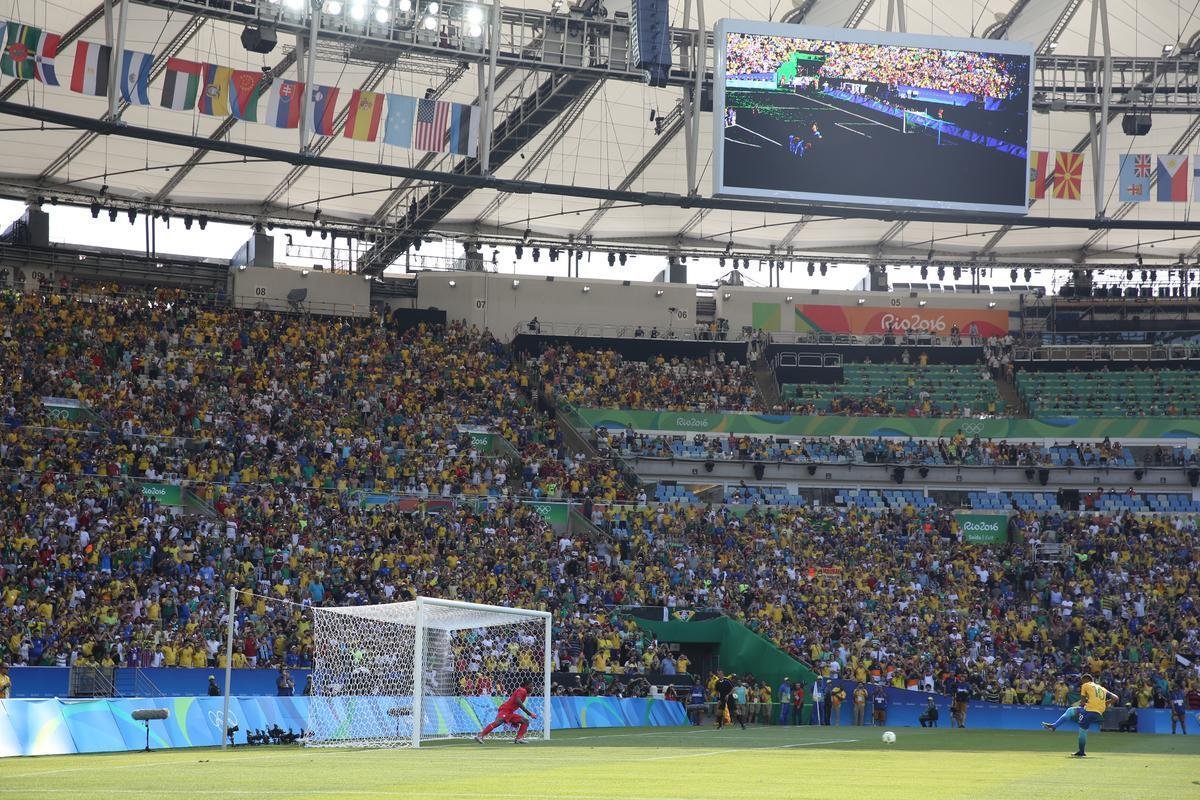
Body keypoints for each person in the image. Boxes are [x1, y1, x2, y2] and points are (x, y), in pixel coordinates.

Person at [1041, 673, 1118, 757]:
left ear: (1085, 680)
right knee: (1073, 715)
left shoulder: (1085, 685)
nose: (1081, 684)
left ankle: (1080, 751)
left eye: (1082, 682)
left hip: (1089, 710)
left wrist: (1081, 708)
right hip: (1098, 712)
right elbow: (1115, 698)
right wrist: (1106, 703)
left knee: (1079, 725)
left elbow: (1082, 702)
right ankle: (1054, 726)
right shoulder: (1102, 688)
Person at [474, 679, 537, 744]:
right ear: (526, 686)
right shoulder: (522, 690)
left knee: (525, 721)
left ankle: (519, 738)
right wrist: (529, 713)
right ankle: (480, 736)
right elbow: (518, 701)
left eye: (532, 686)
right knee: (498, 722)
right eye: (531, 686)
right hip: (505, 710)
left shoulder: (523, 692)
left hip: (510, 712)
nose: (532, 688)